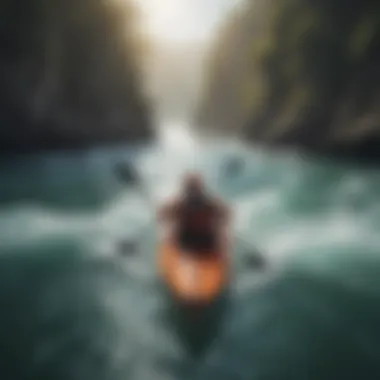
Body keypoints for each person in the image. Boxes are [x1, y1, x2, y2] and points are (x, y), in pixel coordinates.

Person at [157, 172, 231, 253]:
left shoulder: (209, 205)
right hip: (186, 242)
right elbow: (162, 213)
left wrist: (221, 230)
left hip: (206, 243)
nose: (193, 192)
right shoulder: (180, 205)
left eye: (194, 188)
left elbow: (225, 213)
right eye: (191, 189)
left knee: (222, 235)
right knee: (169, 235)